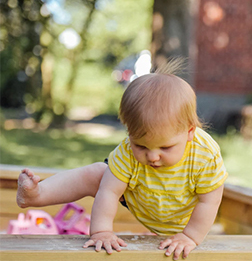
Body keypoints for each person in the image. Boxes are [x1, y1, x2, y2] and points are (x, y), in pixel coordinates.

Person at [16, 58, 228, 260]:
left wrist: (190, 236)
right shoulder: (126, 151)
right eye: (141, 146)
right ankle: (37, 195)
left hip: (184, 216)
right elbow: (109, 192)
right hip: (142, 197)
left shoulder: (204, 155)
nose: (152, 156)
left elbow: (210, 200)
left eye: (166, 147)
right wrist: (101, 231)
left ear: (190, 132)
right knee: (97, 174)